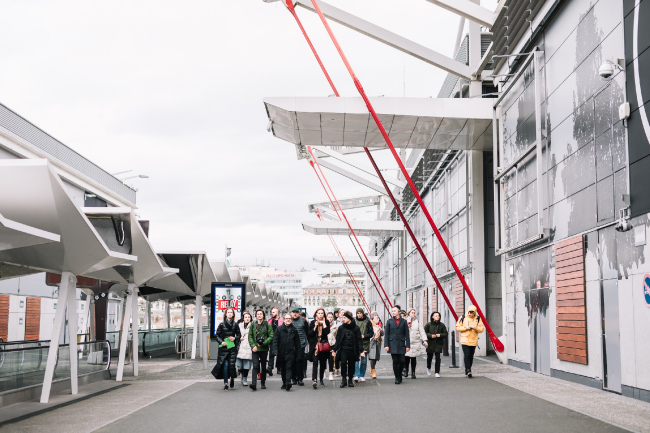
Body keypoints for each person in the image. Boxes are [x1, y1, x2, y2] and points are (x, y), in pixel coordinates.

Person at [331, 311, 363, 388]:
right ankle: (344, 379)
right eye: (342, 317)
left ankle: (350, 380)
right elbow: (338, 339)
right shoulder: (341, 328)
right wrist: (334, 349)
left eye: (344, 317)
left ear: (349, 318)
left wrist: (361, 350)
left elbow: (359, 340)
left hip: (352, 350)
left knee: (351, 365)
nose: (343, 319)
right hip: (343, 349)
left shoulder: (356, 328)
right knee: (343, 363)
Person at [212, 307, 241, 391]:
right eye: (228, 312)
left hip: (232, 348)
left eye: (231, 312)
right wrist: (221, 342)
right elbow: (217, 335)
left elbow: (239, 335)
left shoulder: (235, 324)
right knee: (225, 366)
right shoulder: (221, 324)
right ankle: (226, 384)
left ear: (233, 314)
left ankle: (232, 378)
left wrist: (234, 338)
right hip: (223, 349)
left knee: (232, 366)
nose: (230, 314)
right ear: (226, 314)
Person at [271, 313, 301, 391]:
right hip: (281, 352)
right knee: (283, 369)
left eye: (289, 318)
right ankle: (284, 383)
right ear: (283, 320)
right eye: (286, 318)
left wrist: (298, 353)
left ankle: (288, 383)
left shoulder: (294, 329)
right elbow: (275, 341)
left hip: (291, 352)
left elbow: (297, 342)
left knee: (289, 367)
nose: (288, 320)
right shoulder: (279, 329)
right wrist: (275, 351)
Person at [384, 305, 410, 384]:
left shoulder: (404, 321)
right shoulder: (389, 321)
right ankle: (397, 377)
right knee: (395, 361)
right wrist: (386, 345)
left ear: (399, 312)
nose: (393, 312)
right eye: (392, 311)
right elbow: (386, 334)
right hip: (392, 344)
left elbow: (407, 334)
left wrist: (408, 345)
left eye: (394, 311)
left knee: (402, 361)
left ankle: (400, 374)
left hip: (401, 344)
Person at [249, 308, 274, 391]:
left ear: (263, 315)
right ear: (256, 315)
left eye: (261, 314)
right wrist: (253, 346)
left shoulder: (267, 324)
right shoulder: (253, 324)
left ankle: (263, 383)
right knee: (255, 366)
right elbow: (250, 336)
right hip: (255, 349)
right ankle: (254, 384)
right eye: (258, 314)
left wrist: (264, 343)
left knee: (263, 366)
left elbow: (271, 336)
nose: (259, 315)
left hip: (264, 349)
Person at [456, 305, 484, 378]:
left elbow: (482, 329)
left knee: (471, 356)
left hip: (473, 340)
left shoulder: (478, 318)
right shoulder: (463, 317)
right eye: (470, 312)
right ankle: (468, 370)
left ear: (475, 312)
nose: (471, 314)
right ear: (468, 312)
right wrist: (466, 328)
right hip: (465, 340)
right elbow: (458, 327)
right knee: (467, 355)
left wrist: (476, 328)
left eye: (472, 313)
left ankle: (468, 370)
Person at [307, 308, 331, 389]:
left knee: (323, 363)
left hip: (323, 345)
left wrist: (324, 324)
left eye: (322, 313)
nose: (320, 315)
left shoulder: (326, 322)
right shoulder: (312, 322)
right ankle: (314, 380)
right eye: (319, 313)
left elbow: (327, 332)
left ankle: (321, 379)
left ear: (324, 314)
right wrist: (315, 327)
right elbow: (310, 334)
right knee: (315, 362)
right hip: (315, 345)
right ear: (316, 314)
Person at [404, 308, 428, 379]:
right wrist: (407, 327)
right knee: (406, 358)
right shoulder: (405, 321)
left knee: (413, 358)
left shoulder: (417, 321)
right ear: (408, 313)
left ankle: (413, 372)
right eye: (412, 312)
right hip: (407, 342)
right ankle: (406, 371)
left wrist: (424, 340)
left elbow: (422, 331)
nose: (413, 314)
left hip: (415, 342)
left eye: (414, 312)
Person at [424, 311, 448, 377]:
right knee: (429, 357)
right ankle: (428, 368)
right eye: (436, 316)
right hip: (430, 343)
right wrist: (430, 336)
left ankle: (437, 372)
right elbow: (424, 333)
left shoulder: (441, 325)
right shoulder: (428, 324)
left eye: (438, 316)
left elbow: (446, 333)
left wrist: (439, 335)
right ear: (432, 317)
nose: (437, 317)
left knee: (438, 357)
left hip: (438, 343)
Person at [353, 308, 373, 383]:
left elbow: (371, 333)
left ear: (362, 313)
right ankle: (356, 375)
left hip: (365, 343)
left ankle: (362, 375)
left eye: (360, 313)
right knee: (356, 360)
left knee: (363, 361)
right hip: (356, 343)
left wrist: (364, 336)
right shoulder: (354, 321)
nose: (359, 314)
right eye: (357, 313)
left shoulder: (367, 321)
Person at [290, 307, 308, 386]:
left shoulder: (303, 321)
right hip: (291, 344)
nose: (295, 314)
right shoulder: (289, 320)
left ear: (298, 313)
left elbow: (307, 332)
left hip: (301, 344)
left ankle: (300, 378)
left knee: (299, 361)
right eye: (293, 312)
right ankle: (293, 378)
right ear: (291, 313)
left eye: (296, 312)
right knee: (292, 361)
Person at [236, 311, 253, 386]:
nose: (247, 318)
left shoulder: (253, 326)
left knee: (247, 365)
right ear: (243, 318)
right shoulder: (239, 325)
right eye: (246, 317)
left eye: (249, 317)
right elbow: (235, 334)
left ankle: (244, 378)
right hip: (240, 347)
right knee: (239, 365)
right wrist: (239, 338)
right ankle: (242, 375)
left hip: (248, 347)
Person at [266, 307, 283, 376]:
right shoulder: (270, 321)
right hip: (272, 339)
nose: (272, 313)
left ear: (277, 313)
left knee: (279, 354)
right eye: (271, 312)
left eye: (273, 312)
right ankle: (270, 368)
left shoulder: (281, 320)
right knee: (271, 353)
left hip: (280, 339)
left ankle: (279, 368)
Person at [368, 311, 383, 379]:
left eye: (377, 316)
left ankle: (372, 369)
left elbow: (382, 333)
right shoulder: (370, 324)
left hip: (378, 342)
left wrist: (380, 330)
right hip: (372, 341)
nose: (377, 317)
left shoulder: (379, 324)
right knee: (372, 356)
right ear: (372, 317)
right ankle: (373, 370)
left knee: (376, 357)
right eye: (375, 316)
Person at [326, 311, 337, 381]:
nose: (330, 318)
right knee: (323, 359)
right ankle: (323, 372)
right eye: (328, 317)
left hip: (332, 343)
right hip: (325, 343)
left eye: (331, 317)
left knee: (331, 359)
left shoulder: (335, 325)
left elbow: (336, 335)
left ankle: (330, 373)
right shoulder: (323, 324)